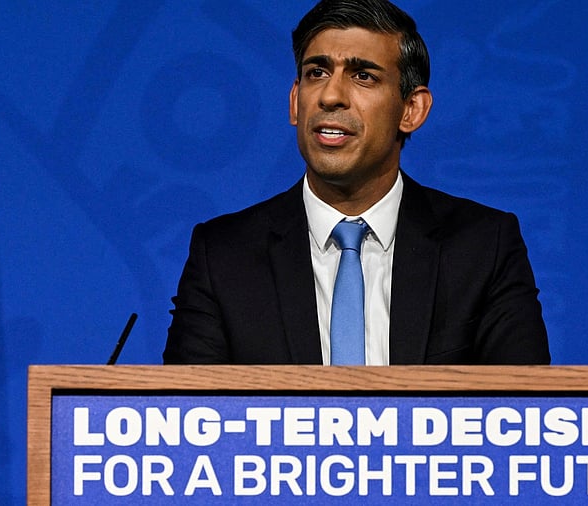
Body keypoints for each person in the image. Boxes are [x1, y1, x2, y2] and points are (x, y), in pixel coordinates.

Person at [163, 0, 550, 365]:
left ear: (412, 110)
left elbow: (523, 416)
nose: (331, 96)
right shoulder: (223, 255)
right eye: (317, 73)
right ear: (295, 101)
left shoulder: (484, 246)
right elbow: (189, 421)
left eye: (363, 76)